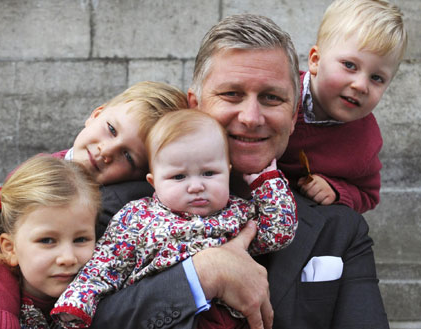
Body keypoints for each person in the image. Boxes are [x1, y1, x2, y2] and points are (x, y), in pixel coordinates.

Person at [87, 14, 390, 329]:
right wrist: (201, 276)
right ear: (196, 105)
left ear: (293, 115)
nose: (251, 117)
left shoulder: (340, 231)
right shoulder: (114, 209)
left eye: (271, 98)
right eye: (231, 94)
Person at [51, 109, 297, 329]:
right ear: (153, 182)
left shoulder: (239, 213)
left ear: (228, 171)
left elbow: (277, 234)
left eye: (210, 173)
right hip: (169, 313)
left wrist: (267, 182)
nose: (196, 186)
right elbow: (106, 265)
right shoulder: (137, 217)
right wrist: (78, 303)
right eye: (179, 177)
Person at [0, 81, 188, 329]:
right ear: (96, 113)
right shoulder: (37, 175)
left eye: (128, 156)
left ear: (144, 175)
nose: (106, 150)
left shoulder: (133, 204)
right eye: (111, 129)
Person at [278, 0, 408, 214]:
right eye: (349, 65)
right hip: (244, 199)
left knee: (350, 226)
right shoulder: (279, 94)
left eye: (377, 77)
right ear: (315, 61)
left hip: (305, 218)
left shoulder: (365, 141)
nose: (361, 85)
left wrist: (337, 191)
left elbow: (368, 195)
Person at [0, 155, 100, 328]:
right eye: (47, 240)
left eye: (81, 239)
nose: (68, 258)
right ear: (10, 249)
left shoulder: (103, 296)